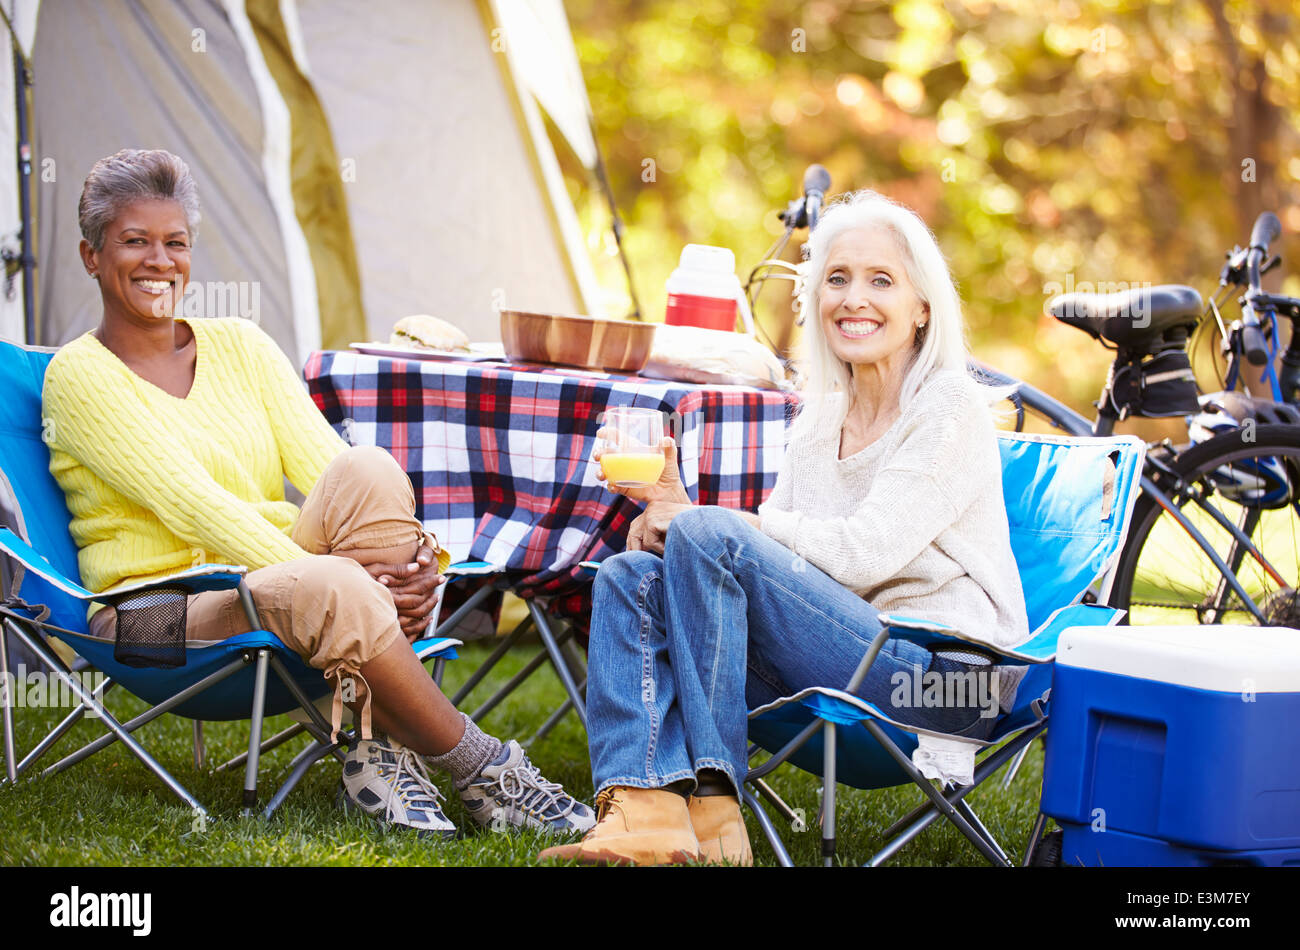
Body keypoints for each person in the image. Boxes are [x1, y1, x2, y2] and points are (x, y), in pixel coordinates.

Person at [44, 148, 594, 838]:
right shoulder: (79, 375)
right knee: (331, 587)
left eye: (174, 242)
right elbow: (193, 504)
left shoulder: (240, 345)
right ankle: (488, 773)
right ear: (92, 256)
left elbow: (330, 466)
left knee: (368, 467)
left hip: (258, 581)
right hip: (150, 618)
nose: (159, 260)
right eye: (134, 242)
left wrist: (422, 561)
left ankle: (377, 756)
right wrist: (336, 577)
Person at [540, 190, 1029, 865]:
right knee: (631, 575)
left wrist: (707, 524)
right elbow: (777, 563)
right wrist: (675, 504)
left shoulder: (948, 409)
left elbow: (861, 554)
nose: (853, 297)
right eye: (837, 278)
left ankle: (715, 811)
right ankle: (644, 812)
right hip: (841, 660)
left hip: (946, 685)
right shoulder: (819, 422)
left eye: (880, 280)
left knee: (709, 534)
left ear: (922, 308)